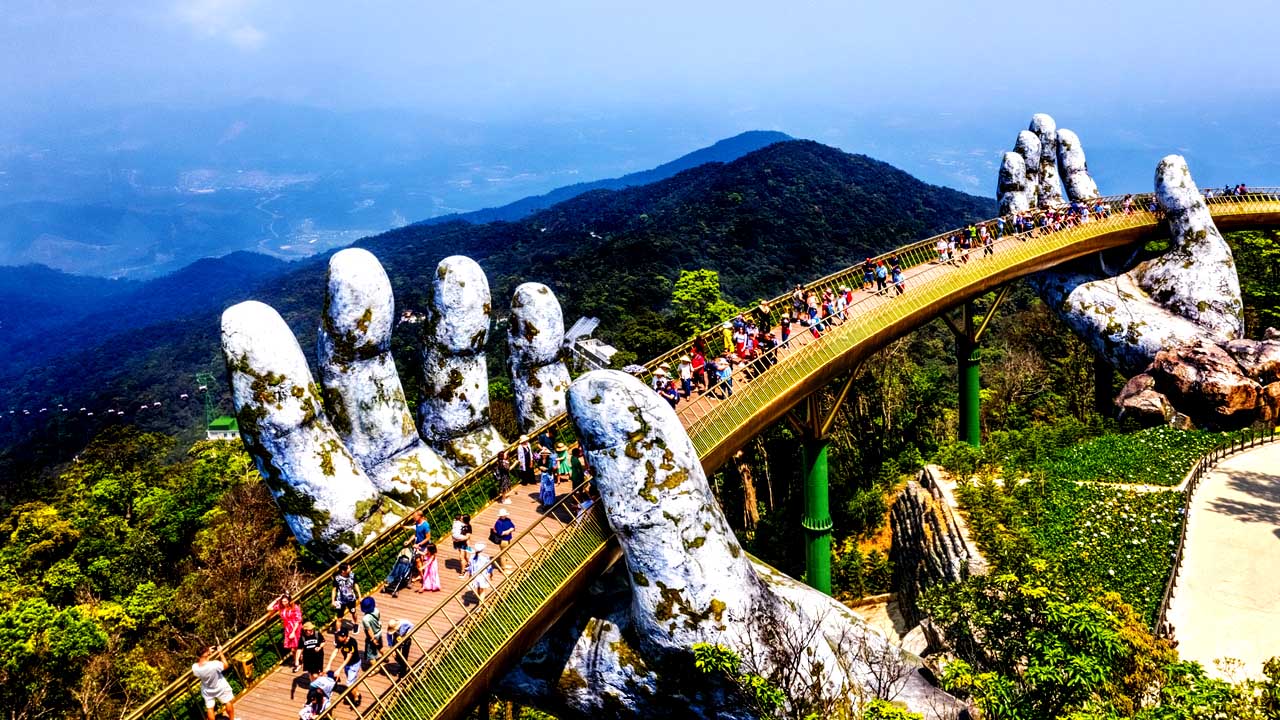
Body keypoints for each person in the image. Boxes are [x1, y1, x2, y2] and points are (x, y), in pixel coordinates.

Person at [192, 644, 236, 720]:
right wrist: (220, 653)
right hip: (220, 686)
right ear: (206, 654)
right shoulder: (214, 664)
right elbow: (225, 665)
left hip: (207, 690)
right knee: (227, 702)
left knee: (210, 708)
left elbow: (201, 662)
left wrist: (207, 652)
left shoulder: (195, 667)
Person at [326, 626, 364, 707]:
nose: (338, 638)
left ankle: (356, 697)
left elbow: (348, 658)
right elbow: (335, 651)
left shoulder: (352, 642)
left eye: (340, 636)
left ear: (345, 637)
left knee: (349, 683)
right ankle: (356, 693)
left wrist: (339, 669)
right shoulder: (340, 641)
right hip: (347, 665)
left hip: (354, 664)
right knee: (352, 680)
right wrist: (328, 664)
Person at [267, 591, 303, 668]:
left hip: (295, 627)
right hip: (287, 628)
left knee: (297, 646)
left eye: (285, 601)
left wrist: (293, 632)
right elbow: (269, 608)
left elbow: (298, 620)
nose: (284, 603)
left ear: (289, 601)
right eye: (282, 601)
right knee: (292, 647)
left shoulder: (295, 607)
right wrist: (277, 600)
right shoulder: (280, 607)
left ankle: (298, 661)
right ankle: (298, 660)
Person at [359, 597, 383, 669]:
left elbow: (369, 630)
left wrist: (373, 639)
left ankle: (376, 668)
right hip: (379, 632)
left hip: (373, 636)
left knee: (370, 655)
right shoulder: (376, 610)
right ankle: (385, 657)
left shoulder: (365, 619)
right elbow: (378, 618)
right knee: (380, 647)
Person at [491, 508, 515, 572]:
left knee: (506, 552)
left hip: (508, 538)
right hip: (503, 540)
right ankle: (503, 569)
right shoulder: (498, 523)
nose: (504, 516)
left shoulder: (508, 520)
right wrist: (509, 530)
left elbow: (513, 527)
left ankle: (505, 564)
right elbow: (501, 533)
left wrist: (509, 531)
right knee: (503, 555)